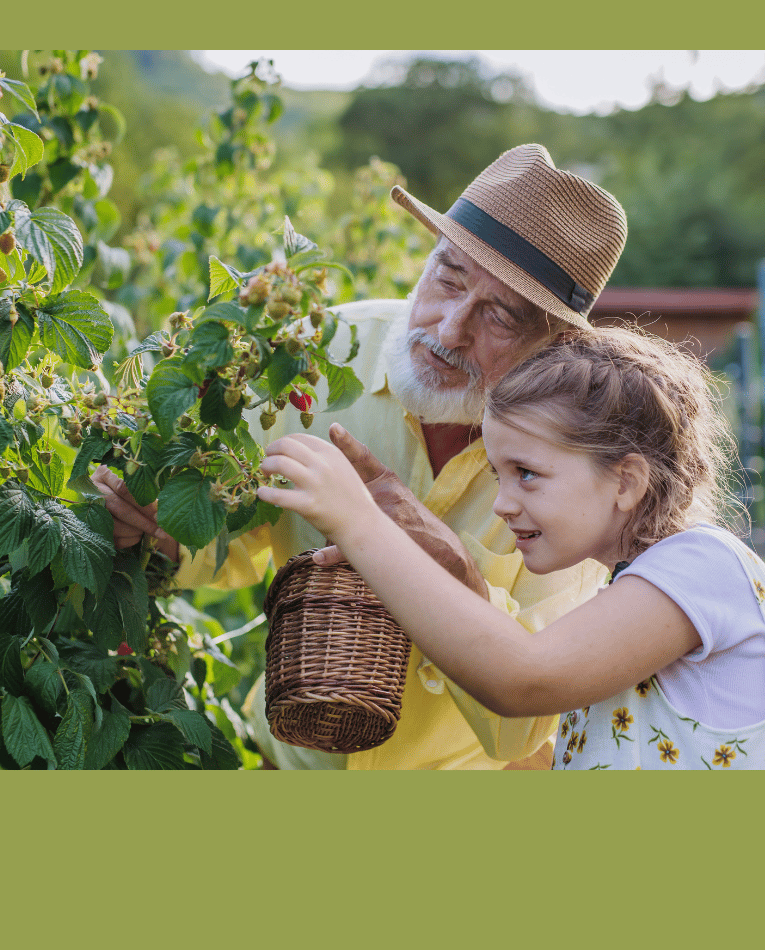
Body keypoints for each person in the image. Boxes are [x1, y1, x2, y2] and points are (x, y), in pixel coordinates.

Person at [95, 143, 630, 770]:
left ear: (555, 344)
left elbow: (533, 718)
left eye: (500, 317)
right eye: (449, 277)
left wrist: (446, 566)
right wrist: (155, 530)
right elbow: (224, 548)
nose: (449, 328)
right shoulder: (319, 357)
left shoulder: (578, 460)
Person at [257, 325, 765, 770]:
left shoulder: (704, 566)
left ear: (625, 481)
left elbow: (522, 678)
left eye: (527, 474)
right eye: (499, 474)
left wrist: (358, 523)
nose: (503, 503)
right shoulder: (630, 593)